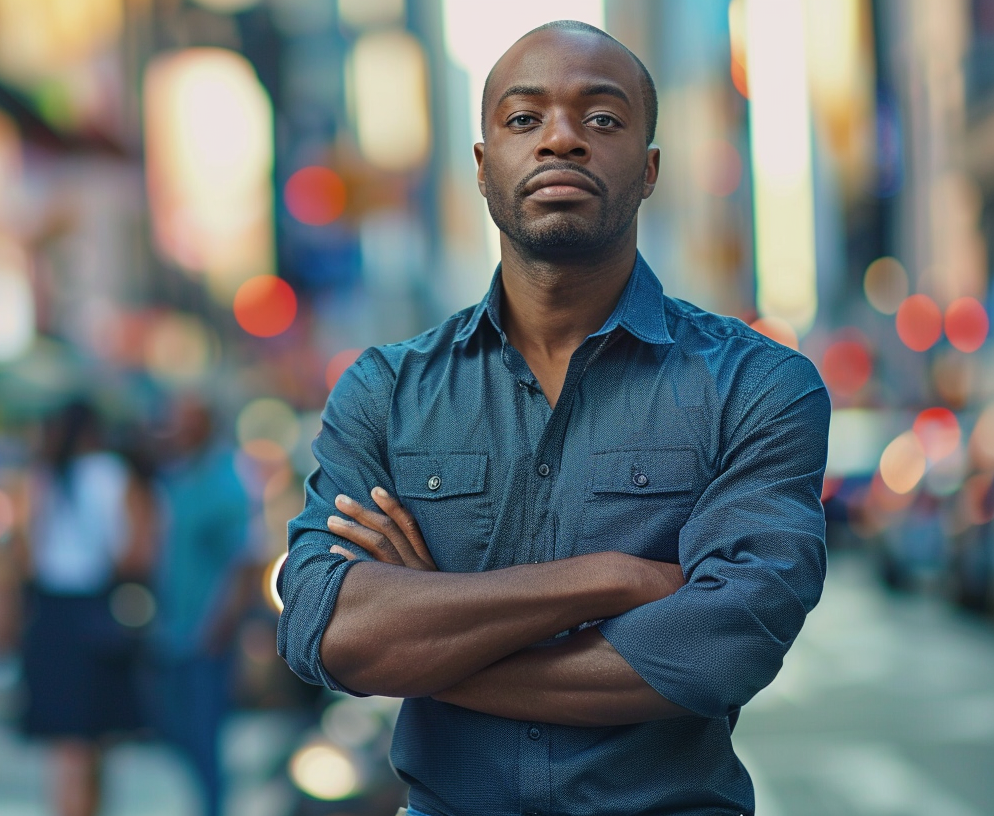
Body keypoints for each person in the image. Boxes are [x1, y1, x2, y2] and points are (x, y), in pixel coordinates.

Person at [276, 20, 830, 816]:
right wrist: (608, 580)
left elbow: (722, 649)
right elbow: (323, 630)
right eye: (523, 118)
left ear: (648, 170)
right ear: (480, 165)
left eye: (600, 119)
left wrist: (428, 639)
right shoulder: (384, 392)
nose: (561, 140)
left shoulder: (758, 385)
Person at [19, 402, 151, 816]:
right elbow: (138, 552)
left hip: (51, 614)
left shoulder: (40, 479)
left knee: (66, 746)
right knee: (99, 743)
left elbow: (24, 554)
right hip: (99, 609)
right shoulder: (115, 475)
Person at [147, 394, 256, 816]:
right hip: (172, 628)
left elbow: (243, 561)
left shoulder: (224, 480)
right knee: (172, 727)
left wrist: (221, 625)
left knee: (204, 733)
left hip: (205, 634)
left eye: (183, 422)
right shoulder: (176, 476)